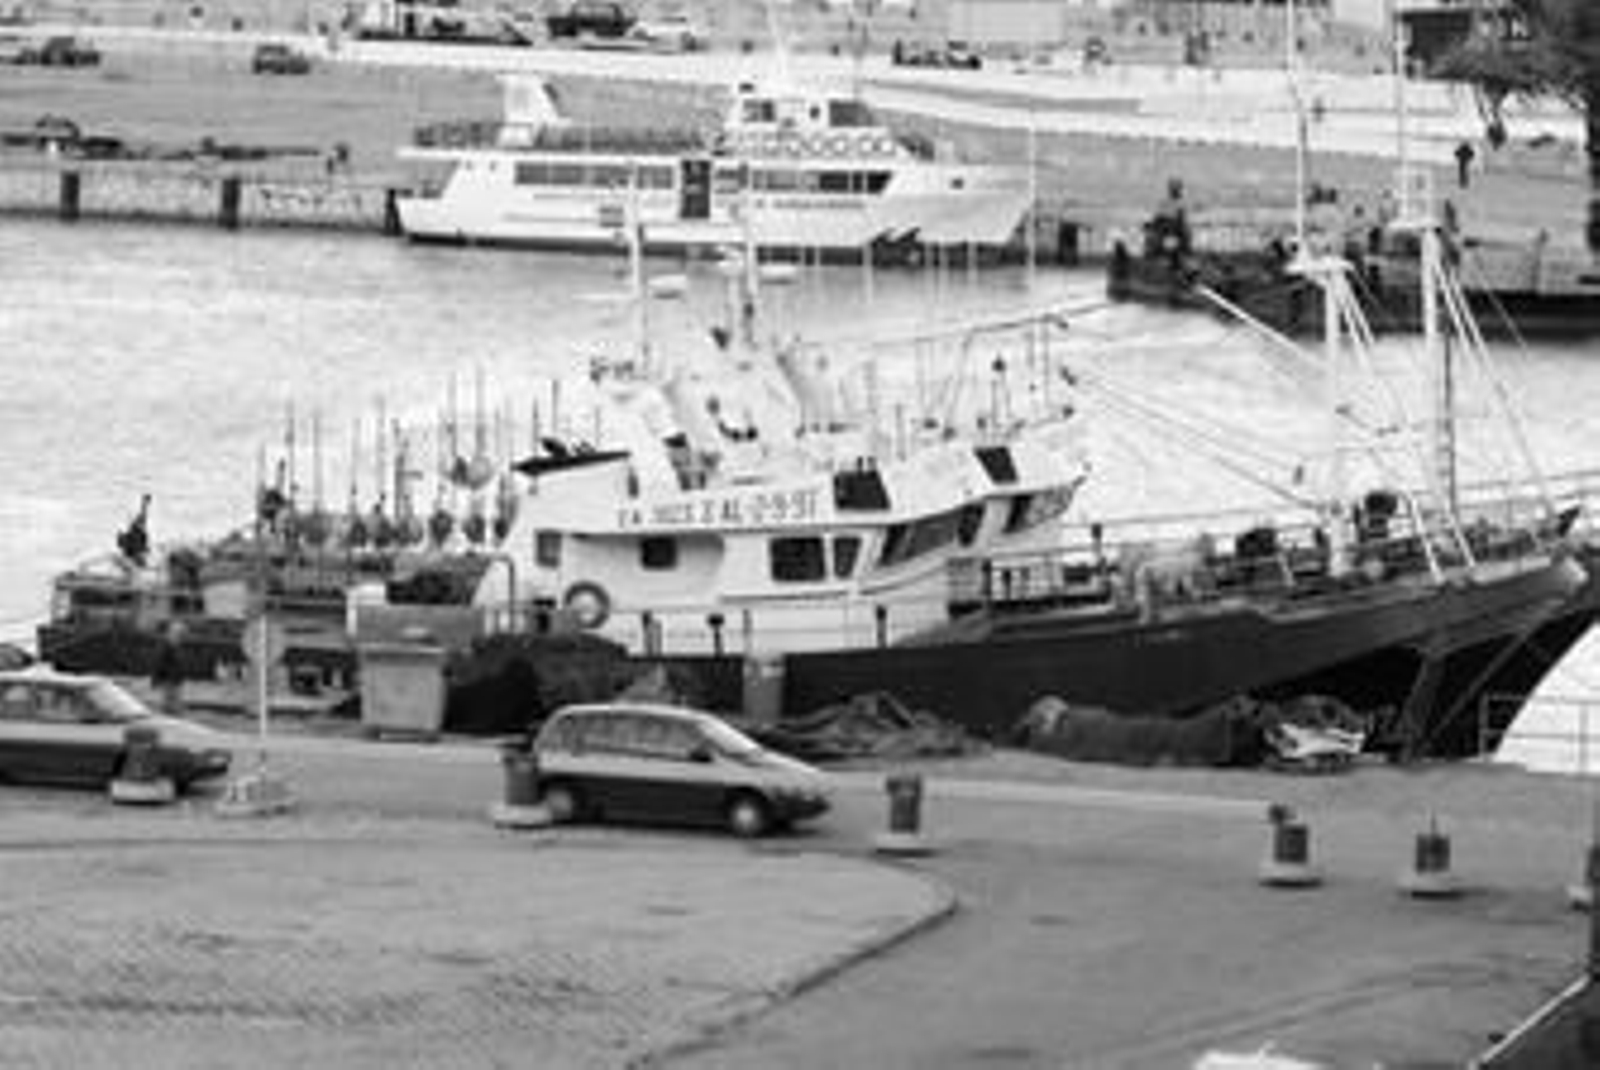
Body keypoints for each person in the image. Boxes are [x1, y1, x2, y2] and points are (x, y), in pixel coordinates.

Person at [150, 622, 185, 715]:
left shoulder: (175, 647)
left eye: (181, 636)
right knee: (166, 708)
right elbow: (158, 665)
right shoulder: (164, 647)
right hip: (167, 683)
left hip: (173, 683)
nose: (180, 639)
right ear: (171, 633)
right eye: (179, 635)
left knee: (174, 708)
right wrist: (160, 681)